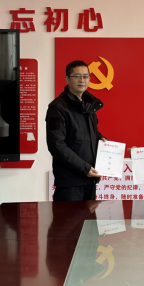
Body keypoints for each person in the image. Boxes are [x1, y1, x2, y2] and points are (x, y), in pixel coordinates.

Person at [46, 60, 107, 201]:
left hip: (90, 179)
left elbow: (89, 133)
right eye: (77, 76)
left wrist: (101, 139)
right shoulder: (58, 108)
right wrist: (85, 168)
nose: (82, 80)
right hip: (70, 183)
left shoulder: (89, 105)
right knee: (70, 217)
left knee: (89, 216)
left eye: (86, 76)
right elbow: (56, 145)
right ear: (67, 79)